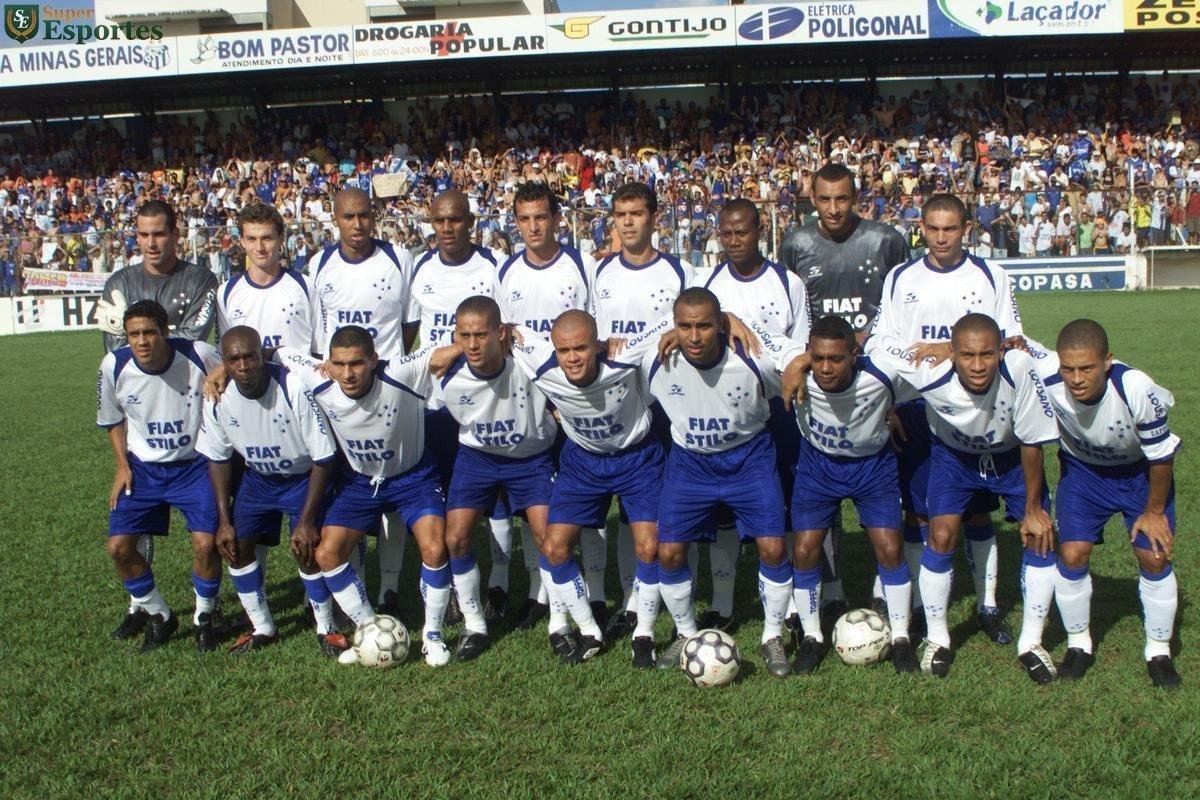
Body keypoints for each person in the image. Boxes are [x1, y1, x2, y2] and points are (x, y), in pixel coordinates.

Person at [867, 193, 1027, 646]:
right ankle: (918, 605)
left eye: (949, 229)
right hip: (915, 407)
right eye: (932, 229)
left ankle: (987, 605)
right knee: (918, 512)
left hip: (973, 407)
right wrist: (914, 379)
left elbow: (1011, 339)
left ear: (966, 229)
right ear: (922, 228)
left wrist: (951, 354)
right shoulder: (901, 277)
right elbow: (883, 343)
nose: (939, 238)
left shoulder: (991, 276)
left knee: (977, 515)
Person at [262, 327, 461, 666]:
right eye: (339, 364)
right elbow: (273, 351)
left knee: (434, 547)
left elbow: (445, 352)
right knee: (326, 554)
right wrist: (222, 369)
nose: (348, 373)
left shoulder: (399, 372)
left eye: (356, 363)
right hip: (361, 483)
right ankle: (368, 630)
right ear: (329, 363)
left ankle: (433, 636)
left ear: (373, 359)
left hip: (413, 477)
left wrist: (498, 336)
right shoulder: (319, 378)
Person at [878, 313, 1057, 681]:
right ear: (952, 354)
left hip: (1010, 457)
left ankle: (1032, 643)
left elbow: (1033, 441)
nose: (978, 365)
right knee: (941, 535)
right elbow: (874, 342)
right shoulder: (929, 370)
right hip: (953, 458)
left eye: (987, 355)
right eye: (968, 356)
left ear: (1000, 352)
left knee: (1040, 537)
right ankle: (938, 639)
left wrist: (1035, 509)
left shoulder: (1020, 367)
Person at [637, 287, 794, 678]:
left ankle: (772, 636)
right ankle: (687, 635)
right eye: (685, 326)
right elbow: (608, 348)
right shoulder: (655, 361)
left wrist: (741, 318)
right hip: (689, 465)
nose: (693, 336)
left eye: (704, 326)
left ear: (721, 324)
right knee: (669, 553)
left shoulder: (754, 358)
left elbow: (798, 358)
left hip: (749, 459)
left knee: (773, 548)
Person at [779, 163, 908, 620]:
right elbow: (792, 313)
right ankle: (829, 591)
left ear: (859, 198)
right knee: (819, 492)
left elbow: (900, 307)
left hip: (875, 379)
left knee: (894, 498)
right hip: (821, 376)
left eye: (843, 199)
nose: (834, 209)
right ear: (811, 199)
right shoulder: (796, 243)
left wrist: (885, 392)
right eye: (824, 199)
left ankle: (881, 588)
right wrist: (799, 363)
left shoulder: (885, 240)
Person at [510, 309, 666, 668]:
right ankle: (589, 630)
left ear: (598, 345)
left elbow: (668, 322)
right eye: (564, 351)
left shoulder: (624, 358)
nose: (573, 358)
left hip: (637, 457)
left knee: (649, 547)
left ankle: (643, 633)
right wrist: (505, 327)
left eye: (581, 348)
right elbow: (505, 331)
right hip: (582, 462)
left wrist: (728, 318)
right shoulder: (541, 365)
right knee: (554, 548)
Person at [1034, 320, 1182, 687]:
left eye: (1086, 368)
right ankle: (1078, 644)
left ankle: (1158, 651)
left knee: (1154, 556)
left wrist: (1154, 512)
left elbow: (1162, 457)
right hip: (1084, 475)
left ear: (1107, 362)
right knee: (1071, 555)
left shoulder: (1135, 388)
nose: (1076, 378)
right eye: (1068, 368)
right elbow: (1007, 343)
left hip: (1139, 475)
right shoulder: (1046, 376)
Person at [773, 315, 917, 674]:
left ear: (855, 354)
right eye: (817, 358)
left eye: (835, 359)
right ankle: (811, 637)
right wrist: (796, 363)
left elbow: (937, 364)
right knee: (805, 549)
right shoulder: (797, 367)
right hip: (818, 467)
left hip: (872, 468)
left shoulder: (884, 373)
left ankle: (900, 638)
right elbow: (745, 332)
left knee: (890, 548)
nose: (824, 367)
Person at [588, 181, 693, 640]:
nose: (627, 222)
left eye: (636, 214)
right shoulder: (600, 273)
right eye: (620, 214)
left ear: (655, 218)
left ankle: (673, 589)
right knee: (627, 511)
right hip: (613, 403)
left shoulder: (679, 271)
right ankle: (633, 600)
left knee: (659, 510)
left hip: (664, 401)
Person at [701, 197, 810, 633]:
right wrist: (725, 316)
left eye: (741, 232)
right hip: (724, 411)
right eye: (726, 233)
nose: (733, 241)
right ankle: (724, 606)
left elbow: (800, 353)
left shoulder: (789, 283)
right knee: (724, 512)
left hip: (779, 410)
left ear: (760, 229)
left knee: (786, 507)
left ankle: (795, 609)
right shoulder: (706, 281)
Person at [197, 327, 341, 656]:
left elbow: (323, 457)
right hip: (258, 480)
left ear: (262, 356)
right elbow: (217, 459)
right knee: (236, 546)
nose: (244, 365)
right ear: (225, 363)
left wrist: (306, 521)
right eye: (234, 359)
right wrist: (224, 521)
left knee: (307, 548)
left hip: (303, 477)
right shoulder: (217, 397)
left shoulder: (292, 387)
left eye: (250, 356)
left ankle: (326, 626)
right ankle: (263, 626)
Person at [437, 296, 565, 662]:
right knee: (456, 537)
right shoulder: (443, 372)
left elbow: (569, 354)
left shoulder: (527, 361)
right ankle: (475, 625)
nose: (473, 344)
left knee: (549, 540)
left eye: (481, 334)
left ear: (501, 333)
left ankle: (559, 622)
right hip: (477, 460)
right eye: (465, 336)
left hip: (531, 460)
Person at [308, 187, 416, 619]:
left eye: (365, 216)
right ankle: (353, 585)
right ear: (335, 219)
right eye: (348, 216)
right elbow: (321, 336)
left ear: (375, 217)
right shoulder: (319, 265)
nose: (357, 225)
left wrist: (383, 370)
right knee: (347, 489)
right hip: (342, 391)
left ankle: (389, 588)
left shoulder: (399, 259)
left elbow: (410, 326)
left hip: (386, 390)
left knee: (388, 484)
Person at [407, 189, 512, 622]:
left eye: (456, 221)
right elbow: (408, 330)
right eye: (440, 221)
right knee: (448, 496)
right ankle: (449, 585)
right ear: (432, 223)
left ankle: (501, 583)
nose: (448, 229)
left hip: (486, 398)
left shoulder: (493, 268)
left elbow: (507, 330)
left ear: (471, 222)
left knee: (499, 496)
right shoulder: (420, 269)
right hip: (435, 403)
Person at [97, 300, 223, 653]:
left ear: (165, 331)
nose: (142, 341)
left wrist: (223, 370)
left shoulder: (198, 353)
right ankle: (161, 615)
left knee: (205, 544)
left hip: (194, 466)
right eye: (134, 334)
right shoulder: (114, 365)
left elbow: (235, 363)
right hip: (143, 470)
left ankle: (204, 618)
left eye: (150, 332)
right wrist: (122, 465)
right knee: (118, 548)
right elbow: (112, 419)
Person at [496, 182, 594, 629]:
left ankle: (595, 591)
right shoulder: (506, 272)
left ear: (556, 219)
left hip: (571, 398)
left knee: (581, 500)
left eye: (541, 217)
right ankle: (542, 592)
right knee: (538, 504)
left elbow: (597, 332)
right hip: (523, 402)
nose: (533, 227)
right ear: (515, 222)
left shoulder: (581, 265)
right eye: (524, 219)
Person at [96, 200, 218, 353]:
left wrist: (130, 333)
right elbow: (115, 353)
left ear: (175, 235)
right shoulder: (119, 284)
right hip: (134, 377)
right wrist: (120, 334)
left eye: (158, 234)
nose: (151, 243)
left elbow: (192, 341)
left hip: (185, 376)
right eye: (144, 235)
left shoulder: (201, 280)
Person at [216, 204, 314, 350]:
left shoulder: (305, 286)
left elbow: (321, 352)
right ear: (242, 241)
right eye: (251, 239)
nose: (259, 248)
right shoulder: (226, 292)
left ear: (281, 239)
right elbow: (227, 354)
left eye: (267, 238)